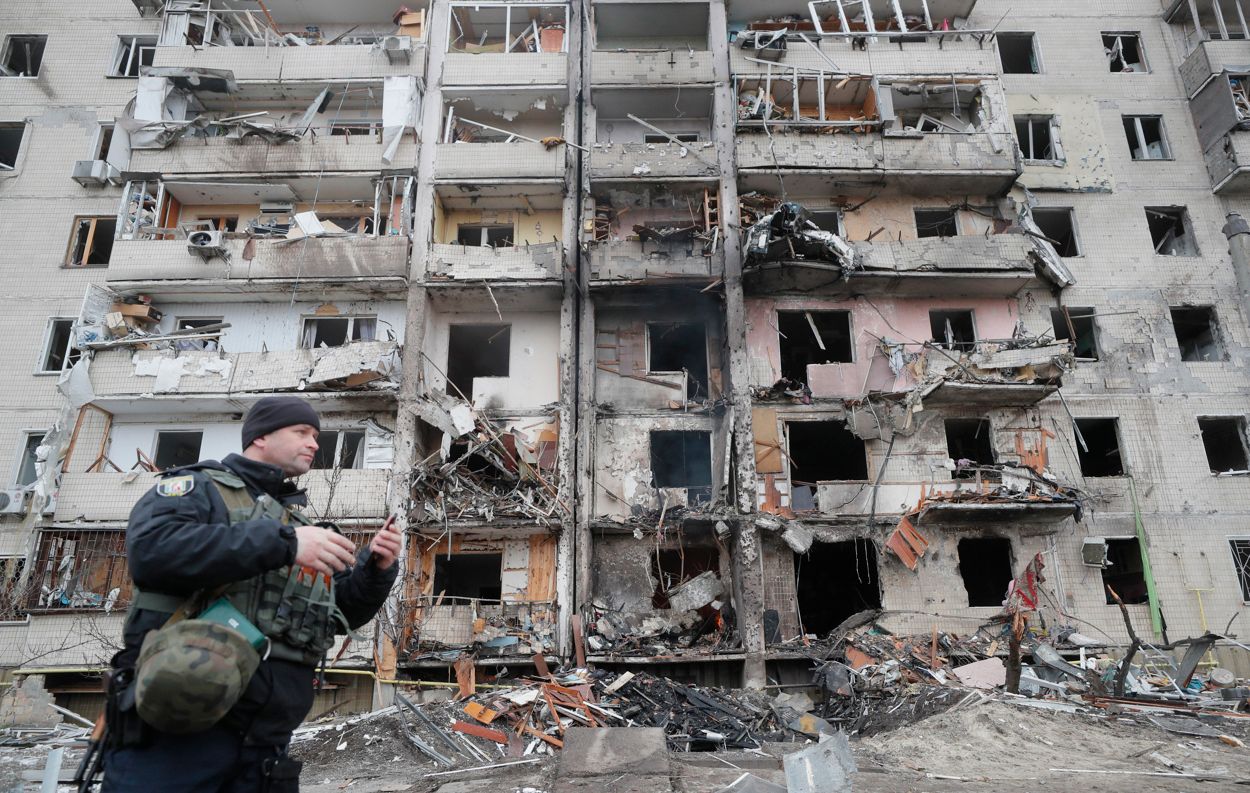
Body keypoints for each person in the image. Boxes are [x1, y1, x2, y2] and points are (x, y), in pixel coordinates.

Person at [100, 396, 402, 793]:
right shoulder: (199, 488)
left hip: (266, 743)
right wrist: (284, 544)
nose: (314, 443)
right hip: (181, 730)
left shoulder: (296, 524)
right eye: (301, 432)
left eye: (316, 435)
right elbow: (153, 552)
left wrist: (376, 568)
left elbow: (338, 612)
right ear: (260, 436)